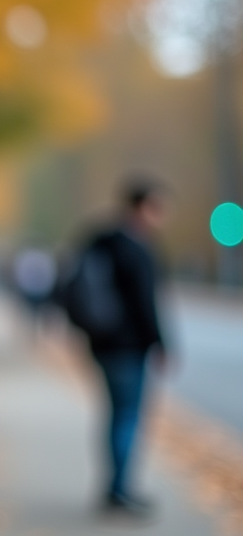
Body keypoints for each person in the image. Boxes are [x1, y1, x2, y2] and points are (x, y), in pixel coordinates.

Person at [82, 180, 168, 517]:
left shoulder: (99, 239)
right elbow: (146, 304)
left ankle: (113, 487)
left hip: (101, 342)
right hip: (129, 346)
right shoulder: (137, 248)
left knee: (114, 414)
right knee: (128, 416)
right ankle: (120, 490)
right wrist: (160, 343)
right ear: (142, 207)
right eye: (158, 206)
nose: (162, 215)